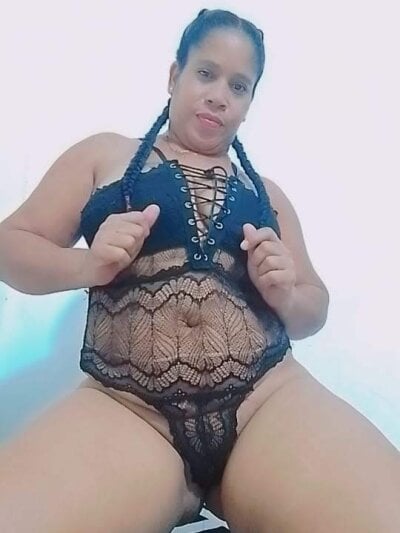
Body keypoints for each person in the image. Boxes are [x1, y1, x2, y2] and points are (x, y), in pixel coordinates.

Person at [0, 7, 399, 532]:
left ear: (249, 103)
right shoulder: (105, 155)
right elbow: (10, 246)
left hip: (267, 403)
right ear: (175, 76)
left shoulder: (266, 194)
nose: (219, 95)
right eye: (206, 73)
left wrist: (285, 294)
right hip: (129, 411)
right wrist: (86, 264)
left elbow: (313, 308)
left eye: (238, 86)